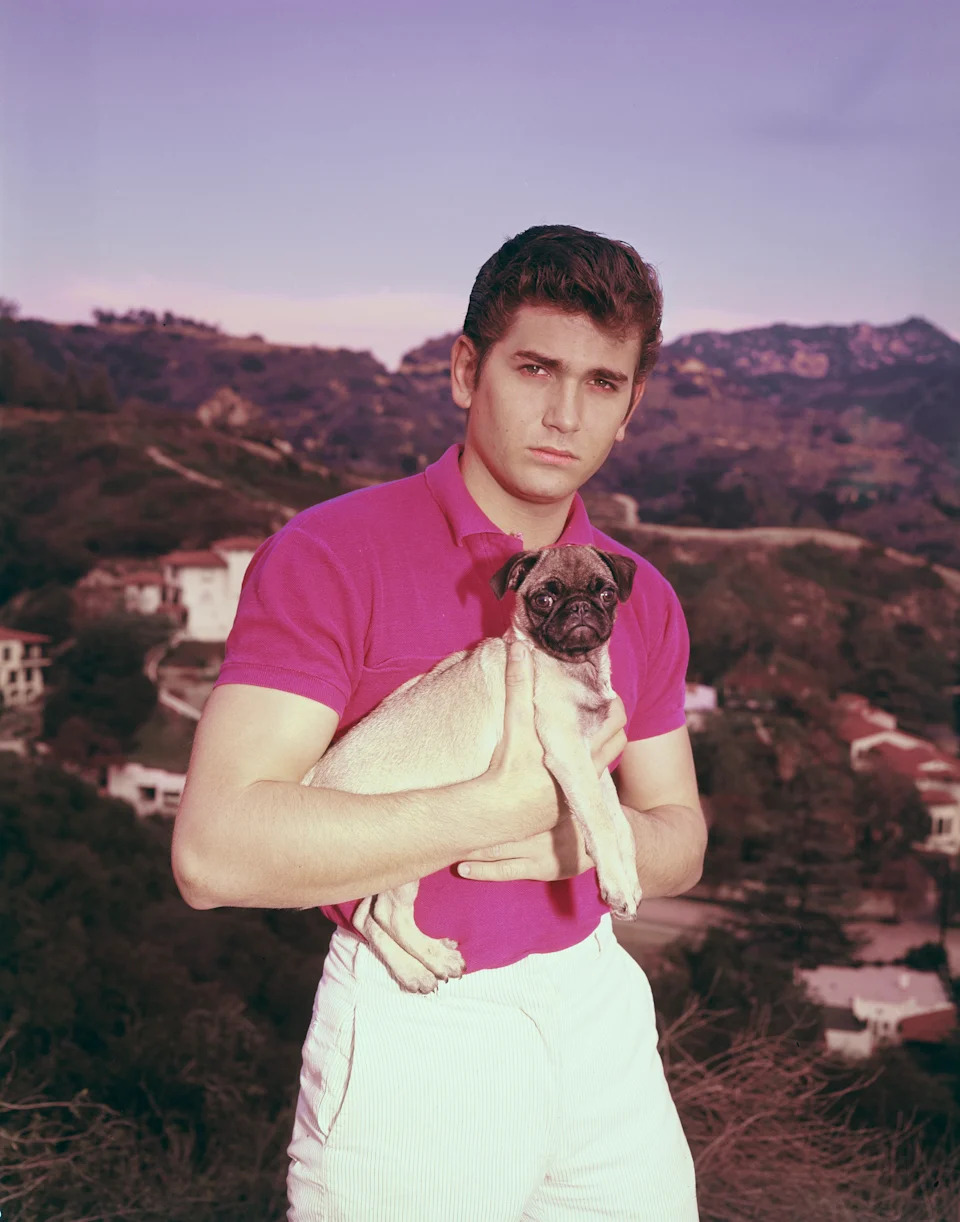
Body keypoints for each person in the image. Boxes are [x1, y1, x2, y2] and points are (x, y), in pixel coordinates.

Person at [172, 224, 707, 1221]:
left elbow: (679, 840)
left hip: (599, 1008)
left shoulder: (643, 596)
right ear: (467, 371)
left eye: (601, 382)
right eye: (535, 367)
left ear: (631, 407)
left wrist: (575, 840)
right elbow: (214, 854)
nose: (563, 411)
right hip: (421, 1017)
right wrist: (493, 807)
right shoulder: (331, 551)